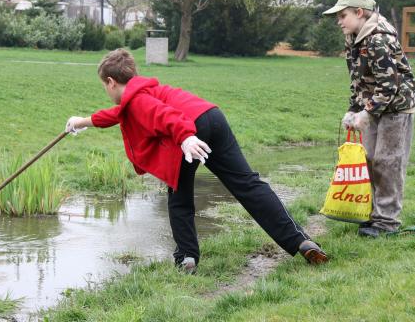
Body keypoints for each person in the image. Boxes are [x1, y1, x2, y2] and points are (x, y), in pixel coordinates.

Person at [65, 49, 328, 272]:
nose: (106, 91)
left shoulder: (139, 101)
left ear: (111, 82)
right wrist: (82, 122)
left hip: (190, 130)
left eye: (104, 86)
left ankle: (187, 258)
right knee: (248, 185)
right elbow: (117, 114)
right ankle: (301, 242)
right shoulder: (141, 92)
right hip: (211, 116)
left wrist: (186, 137)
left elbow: (163, 115)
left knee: (179, 197)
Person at [323, 0, 415, 238]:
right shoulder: (353, 38)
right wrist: (354, 108)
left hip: (397, 106)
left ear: (359, 12)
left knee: (388, 162)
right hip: (374, 104)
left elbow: (390, 85)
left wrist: (366, 113)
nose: (339, 21)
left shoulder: (378, 40)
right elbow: (358, 80)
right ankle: (371, 214)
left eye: (343, 15)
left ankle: (387, 222)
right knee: (368, 159)